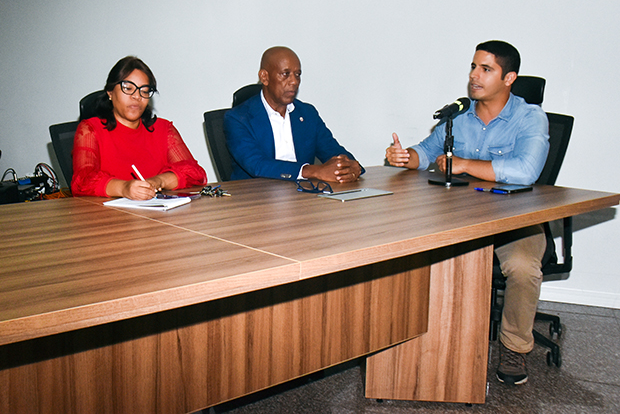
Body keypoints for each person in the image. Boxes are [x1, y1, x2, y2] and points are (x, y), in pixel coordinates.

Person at [384, 40, 549, 386]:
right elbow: (426, 153)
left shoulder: (530, 117)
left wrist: (464, 164)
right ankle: (417, 342)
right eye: (473, 67)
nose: (474, 76)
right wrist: (405, 157)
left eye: (486, 69)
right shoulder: (458, 115)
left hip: (513, 221)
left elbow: (526, 170)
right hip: (459, 218)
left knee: (522, 268)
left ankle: (514, 347)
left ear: (509, 78)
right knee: (407, 248)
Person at [71, 56, 207, 199]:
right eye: (128, 88)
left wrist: (158, 181)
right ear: (110, 92)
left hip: (157, 211)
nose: (137, 96)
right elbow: (82, 181)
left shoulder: (163, 129)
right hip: (109, 212)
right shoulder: (90, 130)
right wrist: (124, 188)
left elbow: (195, 174)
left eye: (144, 90)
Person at [224, 46, 363, 184]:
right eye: (285, 74)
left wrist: (351, 166)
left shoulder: (307, 113)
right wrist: (314, 171)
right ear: (264, 77)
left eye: (297, 74)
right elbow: (257, 165)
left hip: (303, 193)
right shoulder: (237, 118)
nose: (294, 81)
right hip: (254, 194)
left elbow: (334, 152)